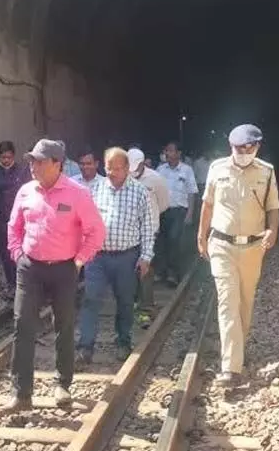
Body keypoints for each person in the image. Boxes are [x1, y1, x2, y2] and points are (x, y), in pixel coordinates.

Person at [3, 139, 106, 413]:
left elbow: (96, 231)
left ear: (56, 164)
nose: (32, 166)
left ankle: (62, 384)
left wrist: (80, 260)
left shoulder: (78, 194)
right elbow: (14, 227)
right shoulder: (26, 192)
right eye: (31, 160)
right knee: (22, 326)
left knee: (64, 326)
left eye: (38, 161)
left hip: (63, 268)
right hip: (30, 268)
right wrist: (17, 255)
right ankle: (21, 393)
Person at [197, 124, 279, 386]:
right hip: (222, 244)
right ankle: (231, 367)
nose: (244, 152)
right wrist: (201, 236)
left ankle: (238, 350)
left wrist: (273, 231)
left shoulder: (266, 172)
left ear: (257, 147)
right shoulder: (217, 169)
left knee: (245, 302)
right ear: (230, 147)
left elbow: (273, 207)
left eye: (249, 148)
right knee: (227, 302)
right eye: (238, 148)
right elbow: (207, 204)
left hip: (253, 247)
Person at [77, 148, 156, 363]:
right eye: (109, 168)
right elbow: (86, 223)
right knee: (91, 299)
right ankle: (85, 346)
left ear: (127, 168)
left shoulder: (140, 192)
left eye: (117, 168)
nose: (112, 172)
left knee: (125, 301)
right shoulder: (95, 189)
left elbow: (147, 227)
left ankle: (123, 341)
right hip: (97, 257)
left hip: (126, 258)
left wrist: (146, 257)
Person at [0, 140, 30, 293]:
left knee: (23, 254)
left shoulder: (23, 173)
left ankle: (25, 286)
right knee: (6, 255)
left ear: (13, 156)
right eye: (3, 157)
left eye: (9, 157)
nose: (6, 160)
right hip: (2, 223)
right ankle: (12, 285)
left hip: (23, 223)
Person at [127, 148, 170, 312]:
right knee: (130, 266)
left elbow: (164, 203)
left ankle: (146, 304)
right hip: (130, 230)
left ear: (143, 163)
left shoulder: (155, 179)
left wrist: (150, 217)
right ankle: (132, 300)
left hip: (150, 229)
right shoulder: (124, 178)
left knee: (146, 266)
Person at [155, 141, 198, 287]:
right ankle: (161, 272)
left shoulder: (186, 170)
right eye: (166, 151)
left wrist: (190, 214)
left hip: (179, 211)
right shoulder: (160, 170)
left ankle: (173, 273)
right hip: (162, 211)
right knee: (161, 241)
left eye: (171, 151)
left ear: (179, 153)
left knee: (174, 240)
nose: (168, 153)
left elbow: (192, 193)